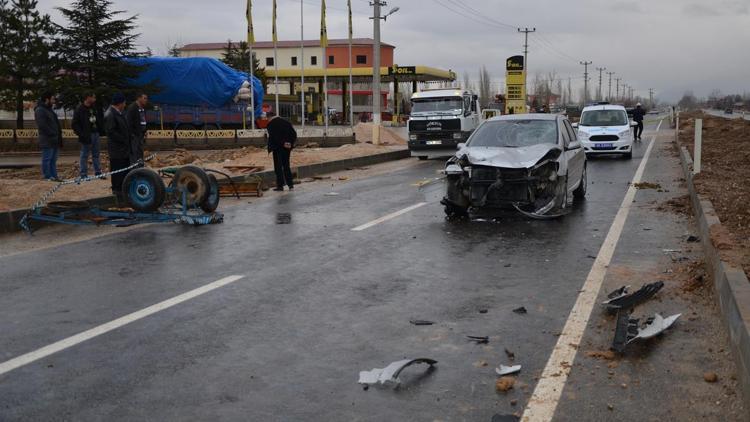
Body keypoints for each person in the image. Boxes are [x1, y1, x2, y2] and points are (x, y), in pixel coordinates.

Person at [104, 92, 131, 200]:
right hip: (117, 150)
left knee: (124, 170)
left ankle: (123, 189)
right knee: (118, 171)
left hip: (123, 150)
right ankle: (117, 191)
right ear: (120, 103)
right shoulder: (110, 114)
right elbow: (111, 132)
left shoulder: (119, 113)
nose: (125, 105)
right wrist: (123, 140)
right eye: (124, 102)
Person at [71, 92, 104, 179]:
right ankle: (83, 174)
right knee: (84, 155)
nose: (95, 99)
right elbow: (74, 124)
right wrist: (81, 134)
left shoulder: (94, 108)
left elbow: (98, 119)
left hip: (95, 133)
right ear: (88, 98)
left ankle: (98, 172)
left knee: (96, 154)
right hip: (86, 135)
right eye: (93, 97)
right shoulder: (79, 109)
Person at [34, 92, 63, 181]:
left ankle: (54, 176)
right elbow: (42, 125)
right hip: (47, 139)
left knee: (53, 160)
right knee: (47, 159)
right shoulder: (40, 110)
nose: (54, 101)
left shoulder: (49, 110)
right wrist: (52, 133)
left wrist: (57, 135)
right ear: (47, 99)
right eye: (52, 99)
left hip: (55, 139)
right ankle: (47, 176)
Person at [265, 113, 296, 191]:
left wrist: (282, 143)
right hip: (287, 148)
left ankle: (280, 186)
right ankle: (290, 185)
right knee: (286, 166)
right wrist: (290, 143)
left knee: (278, 167)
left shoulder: (271, 124)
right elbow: (293, 134)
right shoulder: (286, 122)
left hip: (278, 148)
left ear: (269, 117)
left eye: (267, 118)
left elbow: (274, 137)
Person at [126, 92, 148, 165]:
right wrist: (132, 134)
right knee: (134, 152)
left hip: (141, 134)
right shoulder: (132, 108)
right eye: (144, 98)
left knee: (140, 151)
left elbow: (143, 120)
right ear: (139, 98)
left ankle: (140, 166)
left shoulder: (142, 109)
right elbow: (129, 122)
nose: (146, 100)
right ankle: (134, 168)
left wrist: (145, 131)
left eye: (146, 98)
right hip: (134, 135)